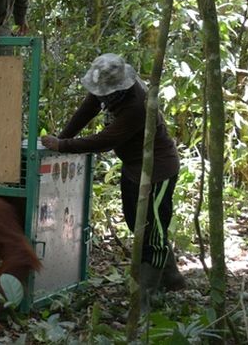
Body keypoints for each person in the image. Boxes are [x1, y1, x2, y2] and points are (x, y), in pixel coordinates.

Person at [41, 53, 186, 310]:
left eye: (105, 94)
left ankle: (145, 298)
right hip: (133, 167)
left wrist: (64, 145)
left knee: (152, 231)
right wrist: (62, 138)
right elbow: (88, 109)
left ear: (120, 88)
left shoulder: (137, 104)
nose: (101, 97)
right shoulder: (106, 89)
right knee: (135, 222)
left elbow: (105, 140)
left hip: (157, 170)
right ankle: (172, 277)